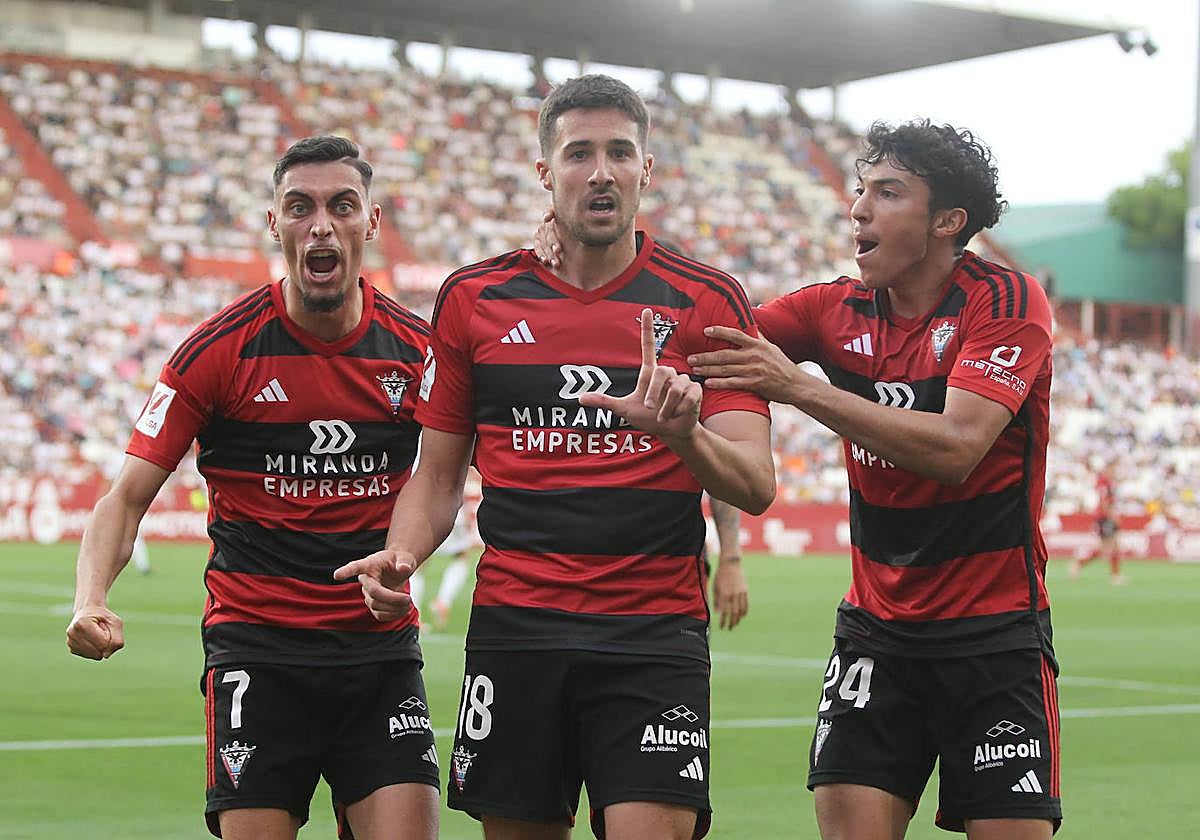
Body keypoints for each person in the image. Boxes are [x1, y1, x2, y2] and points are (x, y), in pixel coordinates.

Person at [536, 118, 1061, 839]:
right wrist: (576, 257)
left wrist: (801, 388)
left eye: (887, 193)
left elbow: (958, 447)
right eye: (859, 191)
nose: (859, 209)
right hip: (877, 634)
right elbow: (695, 334)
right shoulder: (830, 309)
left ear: (948, 221)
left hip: (995, 636)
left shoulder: (1004, 302)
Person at [336, 75, 775, 840]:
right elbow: (438, 476)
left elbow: (756, 482)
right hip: (517, 629)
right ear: (547, 172)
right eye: (579, 153)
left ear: (647, 170)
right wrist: (401, 553)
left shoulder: (707, 301)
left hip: (652, 633)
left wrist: (682, 434)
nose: (600, 170)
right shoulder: (476, 298)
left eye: (619, 152)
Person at [66, 136, 440, 840]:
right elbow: (125, 498)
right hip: (258, 653)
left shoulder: (417, 351)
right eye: (300, 207)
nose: (320, 224)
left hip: (377, 650)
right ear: (276, 225)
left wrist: (407, 555)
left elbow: (451, 474)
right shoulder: (216, 352)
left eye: (341, 205)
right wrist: (90, 599)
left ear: (372, 223)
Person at [1069, 463, 1126, 584]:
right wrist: (1113, 517)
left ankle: (1114, 575)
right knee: (1108, 547)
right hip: (1104, 518)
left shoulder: (1104, 482)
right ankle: (1080, 563)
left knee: (1112, 546)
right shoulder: (1105, 483)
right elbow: (1104, 503)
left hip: (1104, 516)